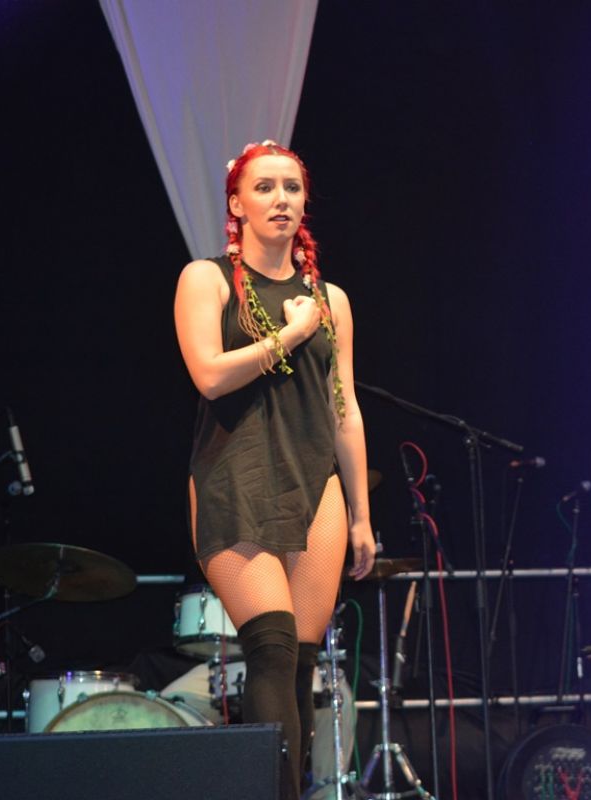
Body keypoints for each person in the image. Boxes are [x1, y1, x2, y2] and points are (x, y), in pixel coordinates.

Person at [173, 140, 376, 800]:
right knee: (272, 646)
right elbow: (209, 376)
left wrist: (362, 514)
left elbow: (344, 409)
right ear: (236, 204)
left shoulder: (331, 299)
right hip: (236, 478)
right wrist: (288, 335)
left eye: (291, 187)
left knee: (302, 666)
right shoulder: (206, 279)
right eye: (264, 187)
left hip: (313, 482)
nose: (280, 198)